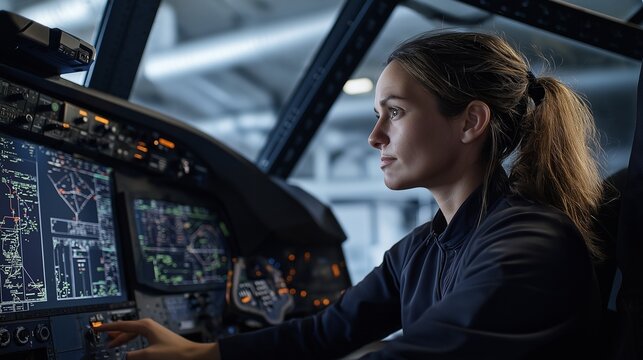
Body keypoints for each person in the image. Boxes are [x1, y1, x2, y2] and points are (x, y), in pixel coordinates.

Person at [96, 31, 604, 359]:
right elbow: (326, 332)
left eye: (396, 112)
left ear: (471, 121)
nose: (376, 136)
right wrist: (200, 354)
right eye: (376, 114)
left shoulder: (530, 243)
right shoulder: (420, 251)